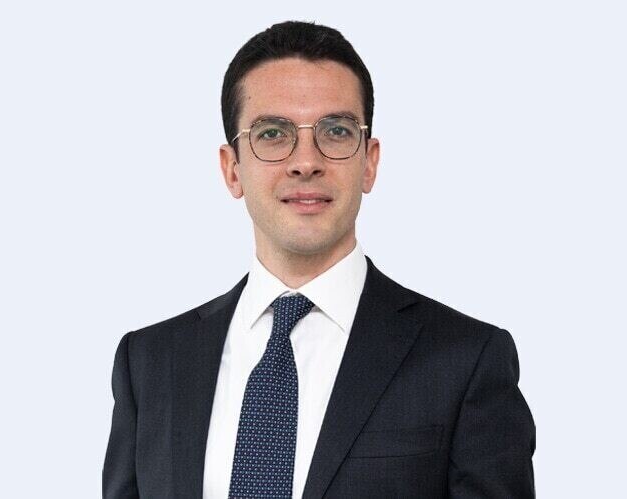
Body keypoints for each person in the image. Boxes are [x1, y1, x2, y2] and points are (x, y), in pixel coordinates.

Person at [103, 20, 536, 499]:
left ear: (369, 162)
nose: (306, 161)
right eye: (272, 133)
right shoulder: (150, 363)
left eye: (336, 131)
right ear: (232, 169)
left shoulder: (464, 359)